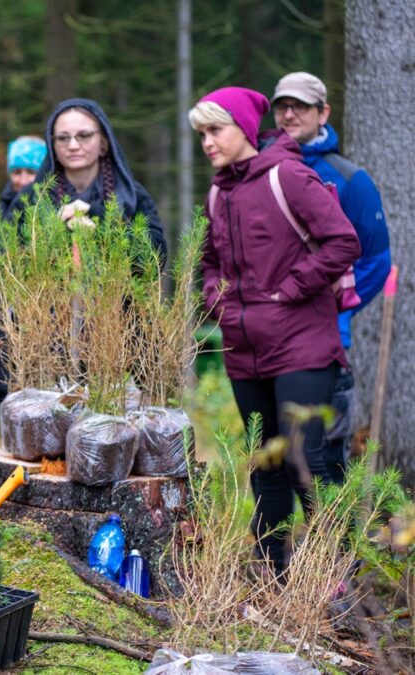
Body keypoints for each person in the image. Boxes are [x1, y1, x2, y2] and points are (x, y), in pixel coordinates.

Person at [189, 87, 360, 577]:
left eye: (215, 130)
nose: (207, 142)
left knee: (306, 458)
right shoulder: (219, 191)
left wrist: (291, 288)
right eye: (201, 133)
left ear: (244, 128)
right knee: (265, 462)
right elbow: (210, 261)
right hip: (244, 348)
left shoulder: (288, 175)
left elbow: (343, 241)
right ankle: (272, 576)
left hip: (303, 344)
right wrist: (216, 296)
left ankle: (337, 575)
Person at [270, 72, 392, 482]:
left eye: (300, 107)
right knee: (271, 454)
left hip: (324, 344)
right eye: (282, 107)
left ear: (323, 113)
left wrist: (333, 309)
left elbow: (376, 261)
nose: (289, 115)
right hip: (268, 340)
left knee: (324, 456)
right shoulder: (259, 170)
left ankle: (331, 528)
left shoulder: (350, 179)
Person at [12, 98, 167, 261]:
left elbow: (157, 257)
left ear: (104, 143)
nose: (72, 146)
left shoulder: (131, 195)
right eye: (63, 138)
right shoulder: (32, 199)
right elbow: (7, 258)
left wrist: (100, 226)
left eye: (84, 135)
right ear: (53, 146)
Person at [0, 135, 47, 402]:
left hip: (47, 343)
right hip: (2, 344)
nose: (23, 179)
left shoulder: (55, 214)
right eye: (17, 171)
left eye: (31, 172)